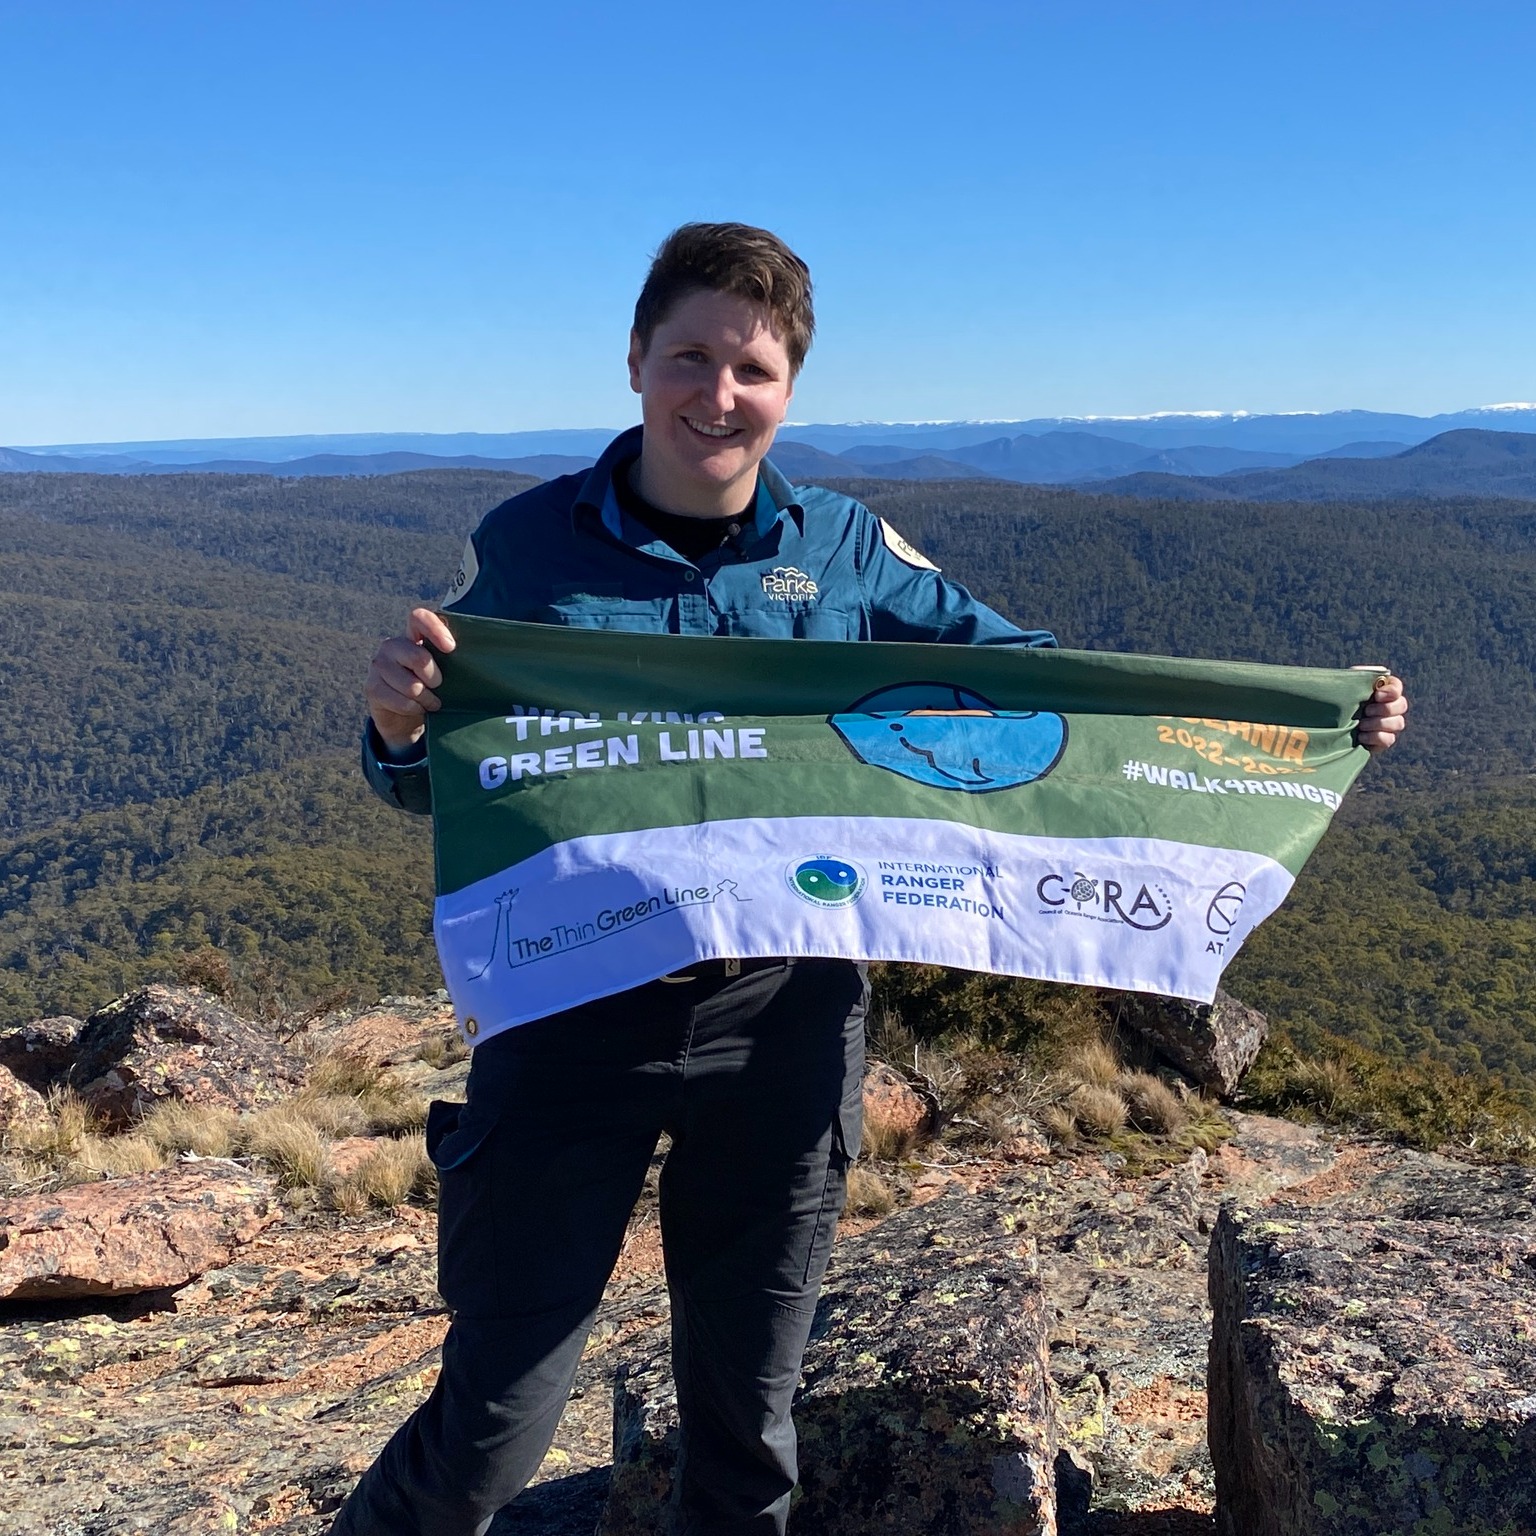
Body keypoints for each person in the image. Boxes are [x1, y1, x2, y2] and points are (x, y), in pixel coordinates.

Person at [339, 223, 1409, 1536]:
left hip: (783, 1023)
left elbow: (1031, 683)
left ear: (790, 387)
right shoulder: (525, 545)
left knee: (750, 1433)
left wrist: (1294, 724)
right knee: (490, 1430)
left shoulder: (843, 550)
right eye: (690, 357)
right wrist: (399, 731)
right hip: (570, 1015)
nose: (717, 395)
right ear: (634, 361)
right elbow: (450, 770)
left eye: (753, 368)